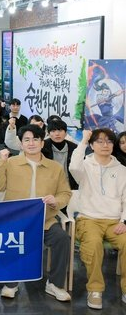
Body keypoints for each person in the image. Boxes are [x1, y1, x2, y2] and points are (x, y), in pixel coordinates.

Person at [0, 124, 72, 302]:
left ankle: (55, 284)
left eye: (36, 139)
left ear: (42, 143)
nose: (31, 143)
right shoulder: (11, 163)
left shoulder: (55, 167)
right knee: (9, 239)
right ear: (21, 144)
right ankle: (11, 283)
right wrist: (1, 161)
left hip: (45, 221)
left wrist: (56, 201)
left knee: (62, 239)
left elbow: (65, 193)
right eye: (26, 139)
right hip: (15, 221)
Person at [69, 128, 126, 310]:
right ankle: (95, 290)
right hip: (89, 219)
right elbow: (73, 167)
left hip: (114, 221)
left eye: (109, 141)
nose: (105, 145)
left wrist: (124, 221)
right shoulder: (85, 165)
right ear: (92, 145)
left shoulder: (122, 170)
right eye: (100, 141)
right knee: (93, 245)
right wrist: (83, 141)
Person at [42, 119, 78, 190]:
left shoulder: (74, 148)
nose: (57, 134)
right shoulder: (42, 147)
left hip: (70, 186)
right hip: (48, 186)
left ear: (66, 133)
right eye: (53, 131)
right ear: (48, 133)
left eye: (60, 130)